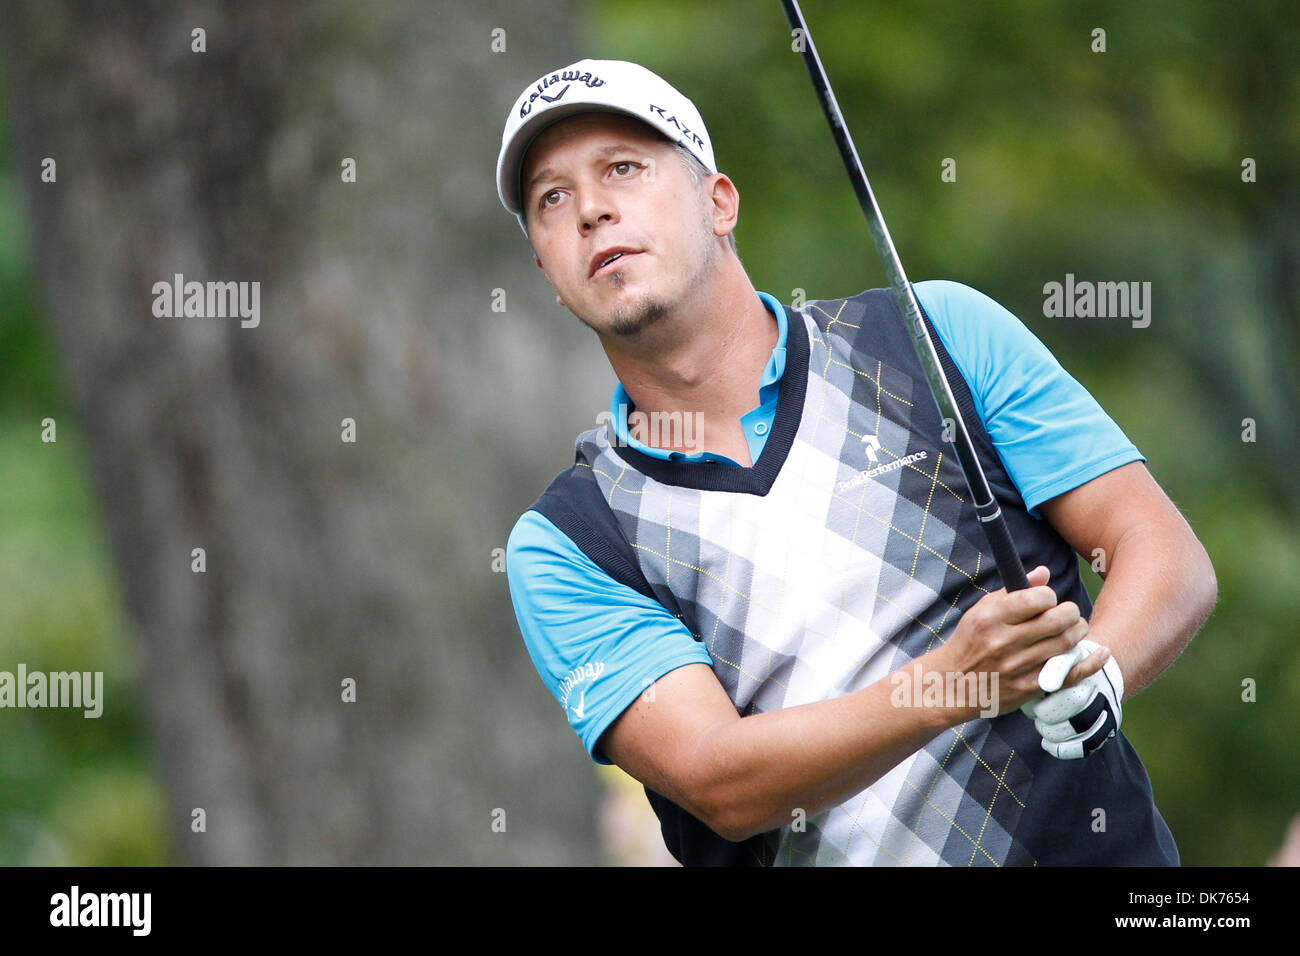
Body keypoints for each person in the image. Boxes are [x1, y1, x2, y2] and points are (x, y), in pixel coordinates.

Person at [496, 58, 1217, 866]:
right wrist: (950, 683)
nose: (591, 209)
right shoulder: (567, 542)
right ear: (547, 272)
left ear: (718, 201)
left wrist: (1101, 672)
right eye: (551, 199)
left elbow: (1164, 552)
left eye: (622, 168)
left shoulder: (937, 334)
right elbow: (718, 782)